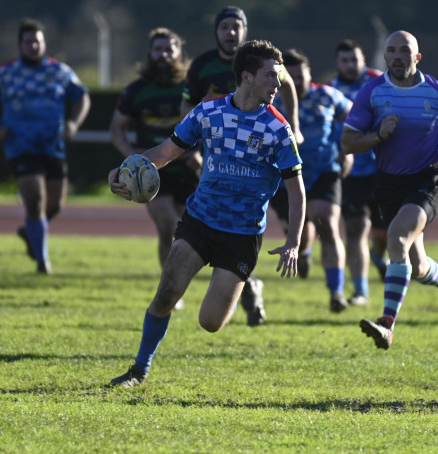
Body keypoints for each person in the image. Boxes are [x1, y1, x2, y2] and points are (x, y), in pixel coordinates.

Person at [108, 39, 305, 387]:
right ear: (246, 77)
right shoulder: (207, 113)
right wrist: (124, 170)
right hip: (200, 221)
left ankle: (245, 286)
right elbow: (166, 152)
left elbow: (296, 189)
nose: (278, 84)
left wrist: (293, 242)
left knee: (210, 322)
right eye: (271, 76)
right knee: (166, 294)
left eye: (279, 77)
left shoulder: (278, 129)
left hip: (242, 235)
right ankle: (139, 370)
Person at [342, 30, 438, 349]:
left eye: (405, 51)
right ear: (385, 57)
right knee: (416, 266)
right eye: (392, 51)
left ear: (417, 57)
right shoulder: (371, 92)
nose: (398, 56)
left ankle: (387, 323)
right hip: (389, 185)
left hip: (428, 180)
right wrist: (377, 135)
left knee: (397, 238)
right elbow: (348, 143)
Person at [179, 6, 303, 325]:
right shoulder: (203, 66)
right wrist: (190, 145)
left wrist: (296, 124)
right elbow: (187, 108)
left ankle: (238, 282)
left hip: (260, 165)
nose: (231, 32)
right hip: (215, 161)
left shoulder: (267, 65)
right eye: (225, 26)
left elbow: (287, 84)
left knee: (211, 320)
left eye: (237, 26)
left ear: (244, 31)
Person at [0, 18, 91, 274]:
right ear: (20, 45)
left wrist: (73, 124)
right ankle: (42, 261)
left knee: (56, 204)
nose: (33, 46)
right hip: (20, 145)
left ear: (44, 43)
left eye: (37, 41)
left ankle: (31, 231)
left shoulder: (59, 71)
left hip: (53, 145)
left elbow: (81, 97)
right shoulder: (4, 72)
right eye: (28, 42)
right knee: (35, 198)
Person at [110, 27, 198, 309]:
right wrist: (131, 158)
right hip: (151, 174)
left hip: (188, 169)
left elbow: (209, 124)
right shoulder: (136, 90)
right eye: (158, 49)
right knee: (166, 225)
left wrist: (199, 154)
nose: (163, 55)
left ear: (179, 53)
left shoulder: (192, 86)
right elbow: (116, 129)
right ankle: (170, 286)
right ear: (149, 53)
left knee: (189, 233)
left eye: (169, 49)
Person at [271, 47, 353, 313]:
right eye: (290, 77)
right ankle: (304, 252)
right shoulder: (273, 99)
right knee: (303, 236)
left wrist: (347, 150)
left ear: (309, 74)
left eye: (301, 76)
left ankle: (336, 292)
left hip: (325, 171)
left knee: (328, 224)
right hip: (287, 175)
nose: (296, 82)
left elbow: (355, 117)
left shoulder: (327, 96)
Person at [328, 39, 387, 306]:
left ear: (364, 60)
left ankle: (379, 257)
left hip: (386, 168)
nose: (350, 65)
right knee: (355, 228)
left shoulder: (380, 82)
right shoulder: (331, 90)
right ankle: (361, 291)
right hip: (352, 171)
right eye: (345, 60)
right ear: (337, 63)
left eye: (355, 59)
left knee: (383, 232)